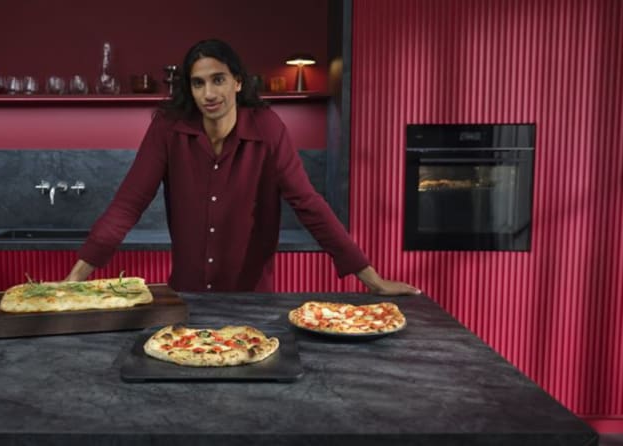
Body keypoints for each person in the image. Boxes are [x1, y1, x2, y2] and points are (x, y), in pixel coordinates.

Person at [66, 38, 420, 296]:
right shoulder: (168, 130)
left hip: (252, 302)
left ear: (237, 82)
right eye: (198, 83)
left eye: (218, 79)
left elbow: (308, 204)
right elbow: (128, 204)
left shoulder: (268, 130)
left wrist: (372, 279)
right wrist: (73, 281)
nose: (209, 93)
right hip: (186, 298)